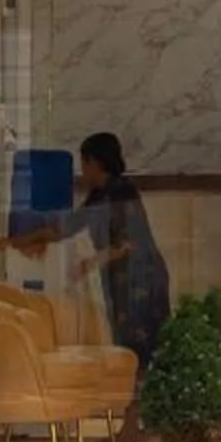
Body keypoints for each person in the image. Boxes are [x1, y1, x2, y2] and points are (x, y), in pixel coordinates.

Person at [71, 132, 170, 371]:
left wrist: (92, 262)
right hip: (122, 281)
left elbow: (127, 243)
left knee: (141, 347)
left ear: (95, 162)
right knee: (125, 343)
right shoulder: (100, 194)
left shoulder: (121, 192)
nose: (82, 171)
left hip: (140, 279)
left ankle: (138, 403)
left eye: (84, 163)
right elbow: (72, 223)